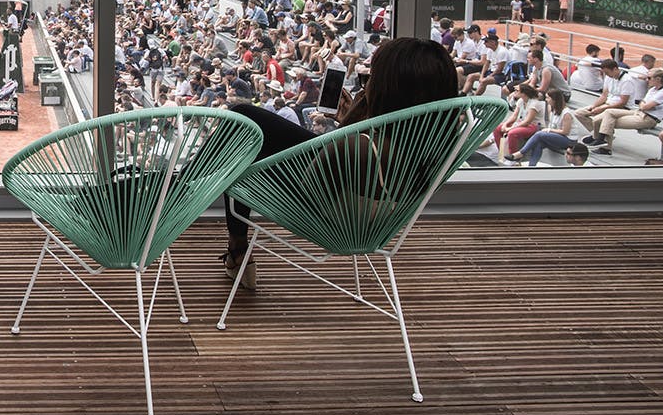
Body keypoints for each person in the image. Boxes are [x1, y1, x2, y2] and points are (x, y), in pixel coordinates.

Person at [220, 37, 460, 289]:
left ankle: (233, 246)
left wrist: (349, 126)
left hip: (333, 215)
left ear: (393, 89)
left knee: (240, 133)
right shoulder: (431, 140)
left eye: (372, 79)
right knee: (248, 118)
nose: (366, 85)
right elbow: (343, 162)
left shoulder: (359, 147)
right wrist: (354, 121)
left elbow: (309, 190)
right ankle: (235, 252)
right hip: (367, 203)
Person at [583, 69, 663, 156]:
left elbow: (645, 106)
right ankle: (600, 139)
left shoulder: (662, 93)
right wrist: (643, 105)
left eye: (649, 78)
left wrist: (643, 105)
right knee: (608, 113)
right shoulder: (653, 89)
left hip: (648, 119)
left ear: (658, 79)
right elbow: (642, 103)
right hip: (639, 112)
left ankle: (605, 148)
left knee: (608, 121)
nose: (646, 80)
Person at [510, 89, 578, 166]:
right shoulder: (551, 109)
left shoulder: (566, 114)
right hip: (558, 136)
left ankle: (521, 153)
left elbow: (565, 132)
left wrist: (549, 130)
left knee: (539, 134)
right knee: (539, 143)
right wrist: (549, 130)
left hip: (569, 140)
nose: (546, 100)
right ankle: (532, 166)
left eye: (548, 98)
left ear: (554, 99)